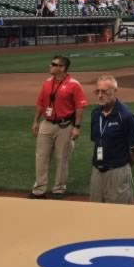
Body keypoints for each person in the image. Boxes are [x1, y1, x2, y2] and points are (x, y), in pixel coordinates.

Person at [29, 55, 87, 199]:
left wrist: (77, 127)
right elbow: (40, 103)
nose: (50, 66)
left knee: (62, 159)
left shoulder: (74, 84)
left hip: (65, 126)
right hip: (46, 124)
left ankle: (59, 190)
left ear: (62, 68)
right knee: (41, 158)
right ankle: (39, 190)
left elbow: (80, 107)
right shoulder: (47, 83)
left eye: (54, 64)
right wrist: (36, 121)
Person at [88, 75, 134, 204]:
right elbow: (97, 141)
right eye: (98, 91)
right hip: (96, 172)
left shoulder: (126, 116)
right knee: (94, 213)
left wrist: (123, 168)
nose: (100, 95)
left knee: (119, 216)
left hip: (117, 173)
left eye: (104, 91)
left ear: (114, 91)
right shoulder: (95, 114)